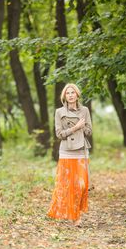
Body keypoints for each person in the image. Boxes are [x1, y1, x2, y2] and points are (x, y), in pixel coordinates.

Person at [47, 83, 92, 227]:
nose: (71, 95)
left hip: (81, 151)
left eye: (73, 92)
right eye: (68, 93)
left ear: (77, 95)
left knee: (82, 185)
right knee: (67, 185)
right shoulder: (59, 112)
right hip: (66, 151)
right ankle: (75, 216)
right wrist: (75, 127)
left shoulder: (85, 110)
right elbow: (59, 134)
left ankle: (75, 212)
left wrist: (83, 127)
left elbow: (89, 131)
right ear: (64, 96)